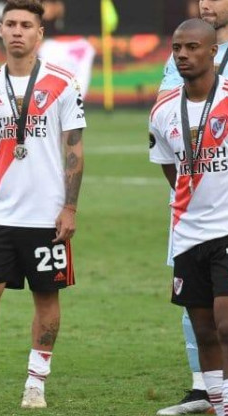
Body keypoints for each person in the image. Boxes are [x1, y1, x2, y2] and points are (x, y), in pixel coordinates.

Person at [0, 0, 85, 410]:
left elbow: (74, 149)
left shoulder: (63, 84)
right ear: (0, 30)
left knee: (46, 297)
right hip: (0, 214)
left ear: (40, 33)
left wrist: (70, 208)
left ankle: (36, 385)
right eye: (11, 24)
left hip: (47, 215)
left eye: (27, 24)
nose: (18, 31)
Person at [149, 18, 228, 416]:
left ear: (213, 52)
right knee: (204, 330)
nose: (182, 54)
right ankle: (219, 404)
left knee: (225, 323)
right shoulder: (163, 111)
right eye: (177, 48)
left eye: (192, 47)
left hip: (227, 228)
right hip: (187, 232)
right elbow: (169, 166)